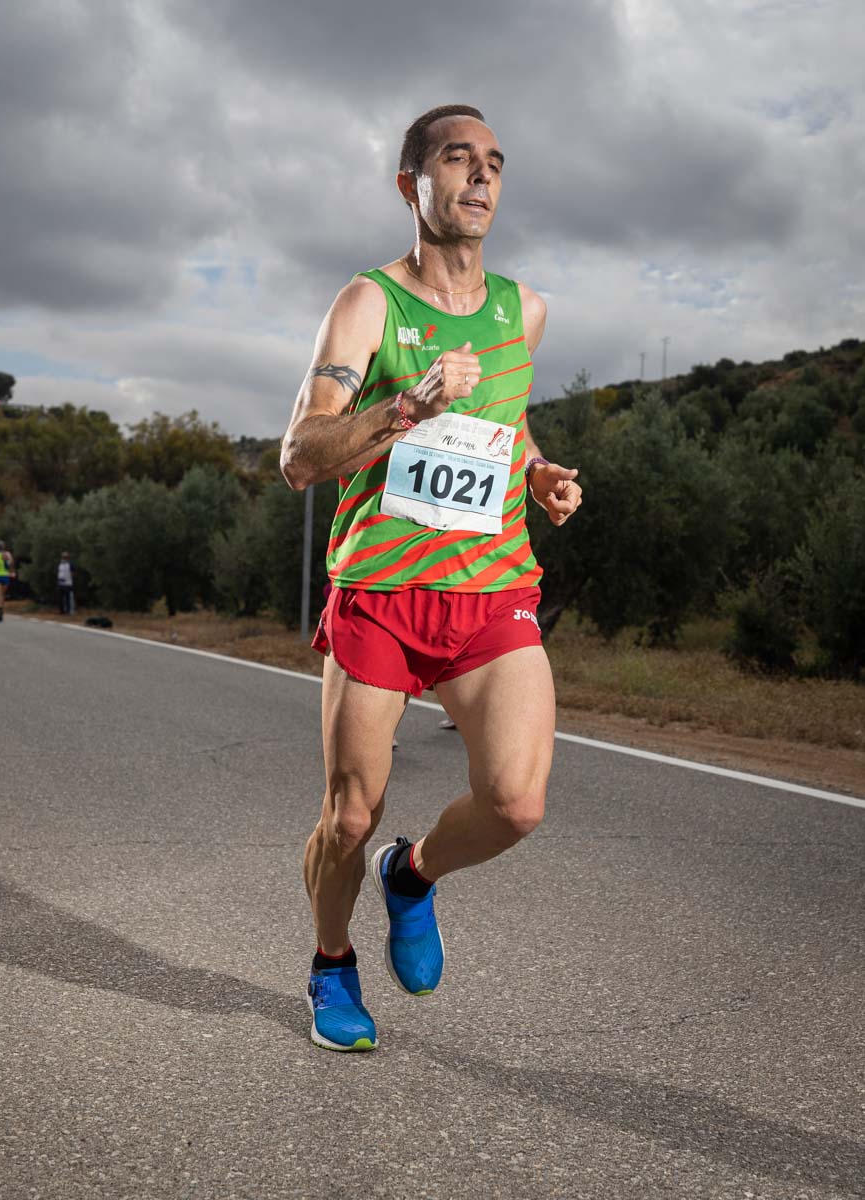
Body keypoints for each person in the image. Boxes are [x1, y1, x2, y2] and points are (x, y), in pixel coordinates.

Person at [280, 104, 582, 1052]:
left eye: (495, 163)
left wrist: (535, 474)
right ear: (411, 183)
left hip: (492, 589)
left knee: (516, 802)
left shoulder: (520, 311)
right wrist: (408, 403)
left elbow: (506, 422)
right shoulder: (369, 303)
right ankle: (332, 963)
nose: (481, 178)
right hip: (381, 592)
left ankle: (410, 876)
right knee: (347, 814)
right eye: (458, 160)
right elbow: (300, 454)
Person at [56, 551, 74, 615]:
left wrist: (68, 579)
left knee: (68, 598)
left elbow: (72, 573)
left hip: (68, 584)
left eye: (65, 557)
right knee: (60, 598)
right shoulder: (60, 564)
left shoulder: (70, 564)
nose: (64, 558)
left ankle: (68, 611)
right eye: (63, 557)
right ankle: (62, 611)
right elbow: (59, 573)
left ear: (68, 558)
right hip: (60, 583)